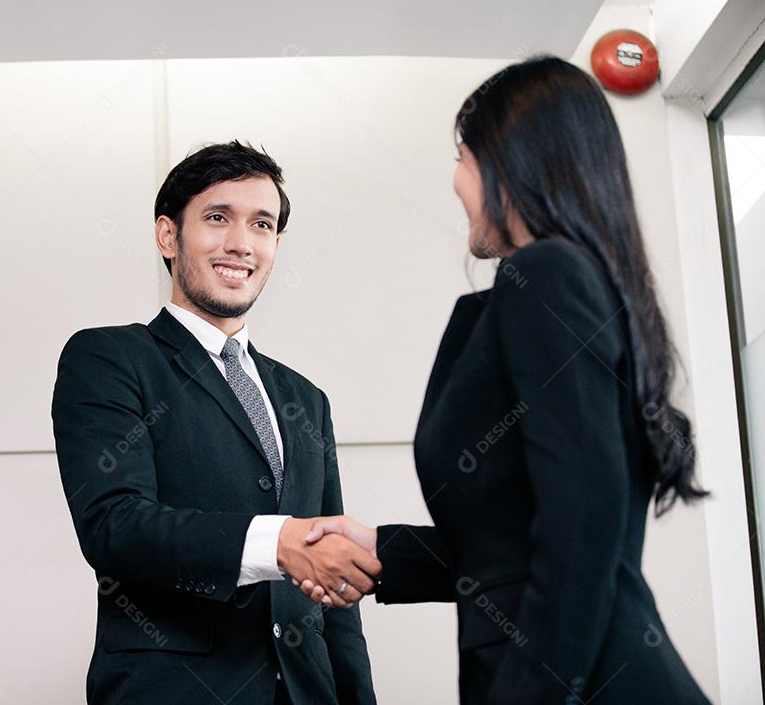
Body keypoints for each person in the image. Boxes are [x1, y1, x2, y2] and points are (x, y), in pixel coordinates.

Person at [299, 57, 711, 704]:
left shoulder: (547, 276)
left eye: (463, 157)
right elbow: (512, 539)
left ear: (513, 164)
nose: (455, 181)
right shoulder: (543, 288)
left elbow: (583, 527)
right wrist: (382, 550)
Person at [52, 141, 380, 704]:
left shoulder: (307, 399)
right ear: (167, 236)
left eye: (261, 224)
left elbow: (333, 593)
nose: (240, 243)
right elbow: (114, 526)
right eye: (217, 218)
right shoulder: (110, 359)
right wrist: (277, 542)